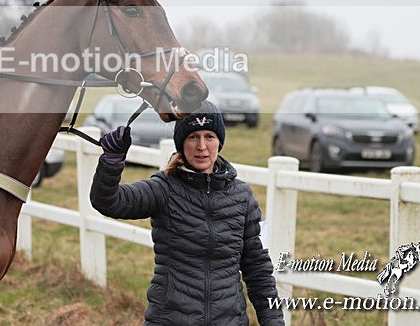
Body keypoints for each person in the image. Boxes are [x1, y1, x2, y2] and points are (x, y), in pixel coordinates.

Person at [90, 101, 284, 325]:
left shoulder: (242, 196)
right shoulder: (163, 189)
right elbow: (107, 201)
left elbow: (257, 268)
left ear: (219, 141)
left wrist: (273, 321)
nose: (202, 146)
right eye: (193, 137)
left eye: (209, 136)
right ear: (181, 143)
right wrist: (111, 163)